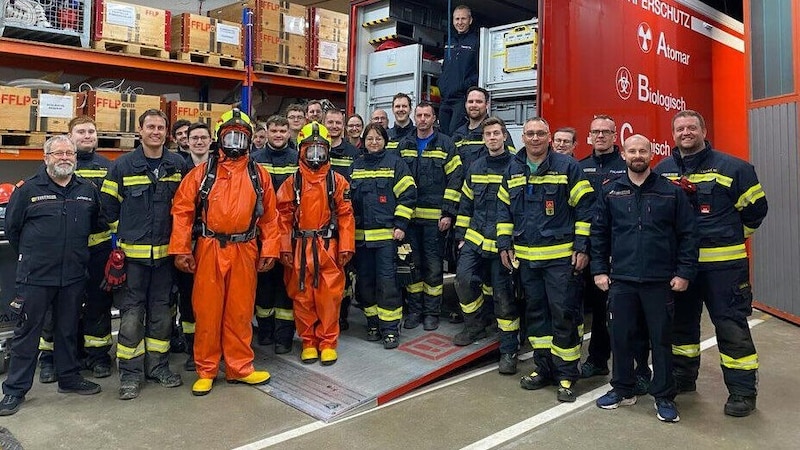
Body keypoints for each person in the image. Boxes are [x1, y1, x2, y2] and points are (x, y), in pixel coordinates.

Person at [654, 110, 768, 417]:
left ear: (704, 130)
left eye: (692, 127)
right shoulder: (663, 171)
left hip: (725, 269)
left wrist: (731, 236)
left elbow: (756, 210)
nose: (686, 132)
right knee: (681, 326)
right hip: (681, 269)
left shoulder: (735, 168)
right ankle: (683, 377)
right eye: (680, 128)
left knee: (731, 327)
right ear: (673, 134)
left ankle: (743, 391)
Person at [169, 109, 280, 396]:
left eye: (240, 137)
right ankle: (206, 368)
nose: (234, 142)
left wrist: (270, 248)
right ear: (220, 138)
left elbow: (270, 217)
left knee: (240, 311)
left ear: (249, 140)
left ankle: (239, 367)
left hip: (245, 248)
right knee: (207, 310)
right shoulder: (202, 174)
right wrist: (181, 248)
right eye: (229, 136)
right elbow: (182, 211)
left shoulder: (259, 175)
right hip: (209, 248)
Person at [592, 134, 697, 423]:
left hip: (659, 279)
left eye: (643, 150)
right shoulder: (611, 191)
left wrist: (684, 273)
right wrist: (599, 270)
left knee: (661, 339)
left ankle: (663, 396)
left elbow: (688, 235)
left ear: (651, 153)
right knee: (621, 337)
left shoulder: (670, 192)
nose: (637, 155)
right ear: (623, 155)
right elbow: (598, 234)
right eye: (632, 150)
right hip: (621, 279)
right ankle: (623, 388)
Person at [1, 136, 106, 416]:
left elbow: (96, 224)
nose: (64, 157)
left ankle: (69, 379)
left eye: (69, 153)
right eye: (58, 152)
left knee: (68, 330)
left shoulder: (87, 190)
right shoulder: (28, 189)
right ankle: (14, 390)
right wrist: (35, 255)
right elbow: (13, 229)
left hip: (72, 276)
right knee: (27, 333)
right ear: (45, 157)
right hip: (35, 276)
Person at [497, 117, 593, 403]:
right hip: (526, 260)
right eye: (530, 134)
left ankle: (566, 375)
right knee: (536, 317)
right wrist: (504, 244)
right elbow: (504, 211)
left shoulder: (568, 167)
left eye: (540, 133)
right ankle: (544, 369)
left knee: (563, 315)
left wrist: (582, 247)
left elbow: (585, 211)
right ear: (522, 137)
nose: (535, 138)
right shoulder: (512, 169)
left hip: (560, 260)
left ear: (549, 137)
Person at [101, 109, 188, 400]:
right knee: (131, 317)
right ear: (140, 131)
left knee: (162, 315)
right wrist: (124, 236)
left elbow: (187, 207)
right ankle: (130, 373)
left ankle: (158, 367)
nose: (155, 132)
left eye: (161, 127)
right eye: (150, 127)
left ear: (167, 132)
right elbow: (107, 208)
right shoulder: (122, 166)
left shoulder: (177, 165)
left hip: (165, 259)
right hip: (133, 261)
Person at [578, 115, 650, 391]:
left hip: (619, 253)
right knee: (596, 311)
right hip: (588, 251)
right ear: (589, 136)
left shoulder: (627, 167)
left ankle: (638, 368)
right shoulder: (579, 167)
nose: (600, 136)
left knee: (627, 314)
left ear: (615, 136)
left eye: (605, 132)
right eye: (595, 132)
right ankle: (597, 360)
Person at [276, 122, 355, 366]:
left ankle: (328, 342)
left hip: (327, 245)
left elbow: (346, 215)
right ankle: (308, 342)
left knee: (329, 297)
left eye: (320, 151)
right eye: (310, 151)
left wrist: (346, 247)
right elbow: (283, 217)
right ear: (301, 151)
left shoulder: (337, 181)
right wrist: (284, 247)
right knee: (302, 297)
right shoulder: (292, 182)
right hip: (300, 247)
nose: (315, 156)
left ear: (327, 151)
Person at [453, 117, 518, 374]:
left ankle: (509, 349)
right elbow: (466, 203)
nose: (492, 138)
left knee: (503, 296)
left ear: (504, 136)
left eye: (496, 133)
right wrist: (461, 236)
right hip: (475, 238)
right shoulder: (476, 166)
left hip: (503, 243)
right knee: (463, 281)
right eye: (488, 134)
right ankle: (475, 326)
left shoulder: (516, 166)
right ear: (483, 139)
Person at [394, 102, 463, 330]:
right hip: (410, 219)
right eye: (419, 115)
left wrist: (448, 213)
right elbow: (396, 179)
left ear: (434, 118)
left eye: (427, 115)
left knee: (433, 267)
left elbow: (455, 179)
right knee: (412, 265)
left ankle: (432, 313)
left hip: (435, 220)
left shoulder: (446, 144)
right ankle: (415, 311)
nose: (422, 119)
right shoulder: (405, 144)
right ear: (415, 117)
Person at [349, 123, 417, 349]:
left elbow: (408, 194)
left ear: (385, 141)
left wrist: (400, 224)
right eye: (369, 139)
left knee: (388, 285)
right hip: (361, 239)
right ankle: (372, 324)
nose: (374, 142)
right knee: (365, 284)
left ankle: (390, 330)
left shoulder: (395, 163)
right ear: (363, 141)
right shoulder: (356, 165)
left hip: (387, 239)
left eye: (378, 138)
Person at [251, 115, 299, 354]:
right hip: (263, 234)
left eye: (282, 131)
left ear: (289, 133)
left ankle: (284, 337)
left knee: (286, 286)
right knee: (264, 286)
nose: (279, 135)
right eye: (274, 131)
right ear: (266, 133)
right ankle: (266, 332)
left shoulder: (298, 159)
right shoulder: (254, 160)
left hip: (291, 234)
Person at [172, 122, 213, 372]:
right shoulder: (179, 168)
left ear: (211, 141)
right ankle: (192, 348)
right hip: (189, 241)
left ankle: (211, 345)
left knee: (212, 297)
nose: (198, 142)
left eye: (203, 137)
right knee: (188, 297)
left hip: (213, 242)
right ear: (186, 141)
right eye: (194, 138)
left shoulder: (220, 168)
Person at [323, 109, 362, 330]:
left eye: (339, 123)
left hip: (343, 219)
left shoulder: (352, 153)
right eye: (331, 122)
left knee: (343, 270)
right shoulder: (317, 149)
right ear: (323, 123)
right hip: (318, 222)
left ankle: (342, 314)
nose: (334, 126)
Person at [452, 87, 516, 174]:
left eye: (479, 102)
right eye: (471, 102)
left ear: (487, 105)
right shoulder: (458, 134)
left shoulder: (497, 132)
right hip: (465, 186)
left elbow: (512, 162)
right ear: (466, 104)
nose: (474, 105)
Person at [437, 4, 479, 135]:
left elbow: (479, 71)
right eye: (457, 19)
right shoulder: (449, 41)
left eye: (463, 19)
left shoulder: (476, 41)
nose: (460, 22)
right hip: (445, 98)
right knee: (443, 134)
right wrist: (441, 84)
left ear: (470, 20)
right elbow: (444, 68)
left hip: (461, 98)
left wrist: (464, 86)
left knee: (455, 133)